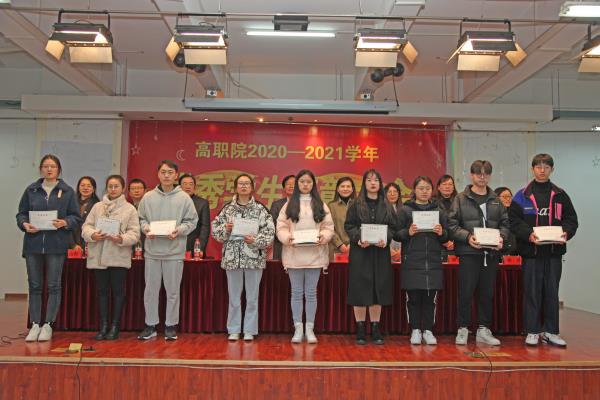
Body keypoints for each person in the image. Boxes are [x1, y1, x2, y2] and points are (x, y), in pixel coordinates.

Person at [509, 154, 578, 347]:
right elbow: (514, 221)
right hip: (531, 253)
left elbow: (571, 220)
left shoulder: (561, 195)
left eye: (546, 167)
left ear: (552, 170)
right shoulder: (522, 195)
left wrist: (566, 233)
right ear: (532, 169)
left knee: (551, 292)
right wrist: (528, 234)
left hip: (554, 253)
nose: (542, 170)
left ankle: (551, 331)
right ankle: (532, 331)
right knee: (532, 292)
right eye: (538, 167)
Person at [16, 154, 81, 342]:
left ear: (58, 169)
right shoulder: (31, 190)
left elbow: (76, 217)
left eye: (53, 166)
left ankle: (48, 324)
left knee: (53, 285)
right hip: (33, 245)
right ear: (40, 169)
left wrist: (65, 222)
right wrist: (24, 224)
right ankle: (35, 323)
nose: (49, 169)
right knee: (34, 285)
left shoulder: (67, 191)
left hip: (56, 245)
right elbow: (21, 214)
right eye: (45, 166)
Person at [448, 160, 510, 346]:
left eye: (486, 173)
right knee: (465, 293)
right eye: (478, 173)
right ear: (471, 175)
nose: (482, 177)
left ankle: (484, 329)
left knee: (487, 293)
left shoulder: (496, 200)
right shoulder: (460, 199)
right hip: (469, 254)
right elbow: (452, 225)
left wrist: (501, 239)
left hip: (490, 255)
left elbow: (505, 224)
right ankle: (462, 328)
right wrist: (467, 237)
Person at [137, 160, 198, 341]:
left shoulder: (184, 198)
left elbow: (191, 221)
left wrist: (179, 231)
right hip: (152, 251)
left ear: (176, 175)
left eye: (170, 172)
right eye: (163, 172)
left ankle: (171, 325)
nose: (166, 175)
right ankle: (150, 325)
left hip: (174, 252)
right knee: (150, 291)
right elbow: (140, 219)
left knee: (172, 291)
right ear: (158, 174)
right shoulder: (148, 197)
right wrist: (146, 229)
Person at [212, 174, 275, 341]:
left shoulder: (260, 209)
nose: (244, 186)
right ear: (235, 187)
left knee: (252, 298)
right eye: (240, 183)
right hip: (232, 258)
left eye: (247, 183)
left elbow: (270, 233)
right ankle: (233, 329)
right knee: (234, 298)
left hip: (254, 258)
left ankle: (249, 330)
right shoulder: (227, 209)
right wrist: (226, 228)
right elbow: (215, 232)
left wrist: (255, 241)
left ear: (252, 187)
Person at [277, 170, 334, 343]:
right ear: (297, 184)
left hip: (315, 256)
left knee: (310, 293)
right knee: (296, 293)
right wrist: (287, 238)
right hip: (294, 255)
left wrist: (324, 236)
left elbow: (328, 227)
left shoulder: (321, 204)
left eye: (308, 181)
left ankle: (310, 329)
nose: (305, 184)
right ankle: (298, 328)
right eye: (302, 181)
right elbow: (281, 227)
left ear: (313, 184)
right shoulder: (288, 205)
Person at [82, 175, 140, 340]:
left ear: (123, 188)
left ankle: (115, 326)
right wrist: (93, 235)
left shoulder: (129, 209)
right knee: (101, 292)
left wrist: (121, 238)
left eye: (116, 186)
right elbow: (86, 227)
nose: (113, 189)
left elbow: (135, 233)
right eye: (110, 186)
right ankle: (103, 325)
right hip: (98, 256)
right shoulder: (97, 207)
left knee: (118, 292)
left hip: (117, 256)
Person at [344, 169, 396, 345]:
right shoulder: (355, 203)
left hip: (380, 252)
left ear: (380, 184)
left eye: (376, 180)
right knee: (360, 289)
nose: (373, 183)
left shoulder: (387, 204)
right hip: (361, 251)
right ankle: (360, 328)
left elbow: (393, 227)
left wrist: (386, 238)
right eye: (369, 180)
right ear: (364, 183)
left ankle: (375, 327)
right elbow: (349, 226)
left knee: (377, 289)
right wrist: (359, 238)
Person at [396, 176, 448, 345]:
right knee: (413, 298)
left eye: (427, 188)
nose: (424, 191)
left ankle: (428, 330)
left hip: (433, 260)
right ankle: (415, 330)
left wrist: (442, 232)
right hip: (412, 260)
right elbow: (396, 233)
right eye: (421, 188)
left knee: (430, 299)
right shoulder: (405, 210)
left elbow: (447, 235)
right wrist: (408, 232)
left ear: (432, 190)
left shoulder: (439, 210)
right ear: (414, 190)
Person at [179, 174, 210, 257]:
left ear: (195, 187)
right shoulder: (173, 202)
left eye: (191, 184)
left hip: (194, 246)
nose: (188, 187)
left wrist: (200, 248)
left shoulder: (202, 203)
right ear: (179, 187)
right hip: (175, 245)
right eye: (185, 184)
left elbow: (205, 227)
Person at [328, 177, 355, 261]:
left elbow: (361, 226)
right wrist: (339, 244)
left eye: (348, 186)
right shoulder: (331, 206)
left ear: (352, 189)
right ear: (337, 189)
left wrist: (352, 244)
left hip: (355, 248)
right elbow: (329, 228)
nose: (345, 189)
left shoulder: (359, 205)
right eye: (342, 186)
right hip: (336, 248)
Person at [270, 175, 295, 260]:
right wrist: (285, 237)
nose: (291, 186)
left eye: (294, 184)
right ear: (284, 188)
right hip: (281, 246)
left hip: (300, 246)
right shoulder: (276, 205)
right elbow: (272, 226)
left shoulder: (307, 204)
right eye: (288, 184)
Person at [71, 176, 100, 250]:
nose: (85, 188)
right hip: (72, 243)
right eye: (82, 185)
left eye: (89, 186)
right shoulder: (71, 203)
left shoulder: (98, 205)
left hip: (89, 243)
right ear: (78, 187)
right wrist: (72, 244)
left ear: (93, 189)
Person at [436, 175, 458, 260]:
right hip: (438, 245)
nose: (447, 187)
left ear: (453, 187)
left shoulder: (460, 202)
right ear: (438, 187)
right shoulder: (432, 203)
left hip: (457, 245)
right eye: (444, 184)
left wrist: (455, 242)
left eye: (450, 184)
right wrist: (444, 241)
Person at [494, 186, 518, 256]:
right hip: (497, 250)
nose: (508, 199)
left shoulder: (515, 212)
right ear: (496, 198)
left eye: (509, 197)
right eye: (504, 197)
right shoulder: (492, 214)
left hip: (512, 252)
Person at [385, 182, 402, 262]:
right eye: (389, 192)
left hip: (401, 248)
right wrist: (389, 250)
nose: (392, 194)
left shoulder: (404, 209)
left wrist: (401, 250)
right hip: (385, 247)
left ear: (399, 194)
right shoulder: (380, 210)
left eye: (395, 191)